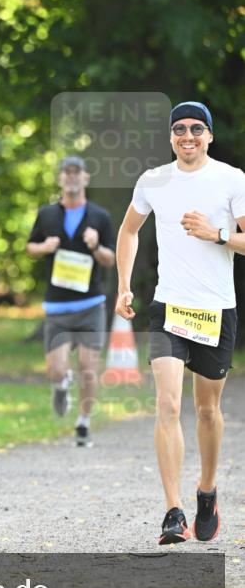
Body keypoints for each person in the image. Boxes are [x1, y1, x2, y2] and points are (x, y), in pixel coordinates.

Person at [115, 101, 245, 545]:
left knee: (207, 410)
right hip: (169, 308)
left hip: (215, 310)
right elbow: (129, 230)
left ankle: (206, 490)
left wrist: (218, 234)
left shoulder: (232, 179)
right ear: (170, 136)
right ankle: (173, 511)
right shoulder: (154, 181)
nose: (186, 135)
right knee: (168, 406)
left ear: (209, 134)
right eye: (178, 129)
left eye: (195, 128)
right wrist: (124, 284)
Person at [27, 156, 116, 447]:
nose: (73, 177)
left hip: (91, 304)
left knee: (89, 369)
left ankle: (83, 423)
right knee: (56, 368)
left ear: (86, 178)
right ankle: (61, 385)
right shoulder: (47, 214)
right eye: (68, 172)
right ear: (60, 178)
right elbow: (30, 248)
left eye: (78, 173)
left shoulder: (100, 217)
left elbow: (111, 259)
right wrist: (45, 246)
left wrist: (96, 245)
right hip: (57, 307)